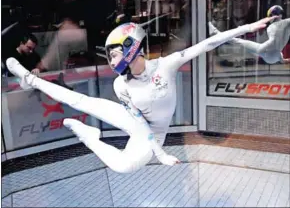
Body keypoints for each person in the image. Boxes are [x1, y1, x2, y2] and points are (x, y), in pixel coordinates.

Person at [6, 15, 276, 173]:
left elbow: (210, 43)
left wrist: (251, 27)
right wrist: (159, 154)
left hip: (154, 132)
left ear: (132, 46)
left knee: (124, 166)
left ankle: (91, 138)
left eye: (115, 52)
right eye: (110, 54)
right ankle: (29, 79)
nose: (111, 60)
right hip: (136, 123)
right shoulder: (121, 85)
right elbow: (137, 120)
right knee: (81, 100)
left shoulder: (166, 65)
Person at [209, 5, 290, 64]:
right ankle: (216, 33)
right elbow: (277, 43)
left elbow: (273, 41)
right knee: (240, 43)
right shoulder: (283, 24)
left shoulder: (278, 24)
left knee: (238, 42)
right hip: (275, 56)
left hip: (269, 53)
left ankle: (215, 32)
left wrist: (260, 49)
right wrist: (282, 59)